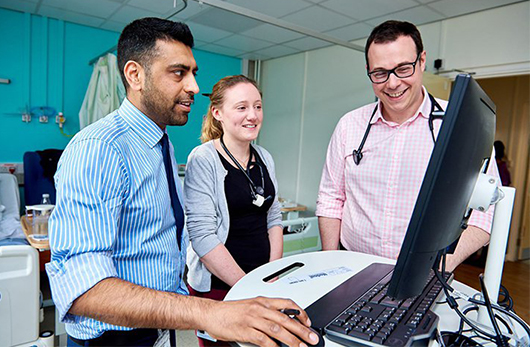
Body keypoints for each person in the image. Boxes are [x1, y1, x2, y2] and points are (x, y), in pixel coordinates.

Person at [46, 17, 319, 347]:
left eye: (193, 73)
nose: (192, 86)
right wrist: (208, 312)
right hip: (115, 337)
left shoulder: (160, 143)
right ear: (135, 75)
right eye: (179, 73)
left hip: (159, 326)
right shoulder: (100, 150)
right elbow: (83, 289)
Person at [316, 20, 500, 273]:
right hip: (352, 267)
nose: (392, 84)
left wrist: (441, 266)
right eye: (379, 73)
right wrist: (331, 261)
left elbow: (485, 211)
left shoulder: (462, 125)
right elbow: (331, 198)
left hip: (426, 271)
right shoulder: (350, 125)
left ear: (422, 61)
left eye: (403, 68)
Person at [184, 75, 283, 345]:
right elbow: (203, 237)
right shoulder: (203, 158)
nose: (252, 115)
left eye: (258, 106)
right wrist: (247, 285)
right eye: (241, 107)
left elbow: (273, 217)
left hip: (262, 281)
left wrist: (271, 274)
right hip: (219, 287)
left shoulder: (265, 157)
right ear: (218, 113)